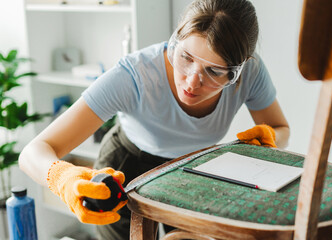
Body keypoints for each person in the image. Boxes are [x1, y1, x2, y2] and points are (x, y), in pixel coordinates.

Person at [19, 0, 290, 239]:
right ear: (175, 40)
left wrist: (269, 138)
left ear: (238, 69)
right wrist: (62, 178)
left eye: (214, 71)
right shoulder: (135, 75)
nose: (192, 82)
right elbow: (32, 152)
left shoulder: (251, 73)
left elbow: (280, 128)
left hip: (195, 172)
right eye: (185, 57)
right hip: (129, 166)